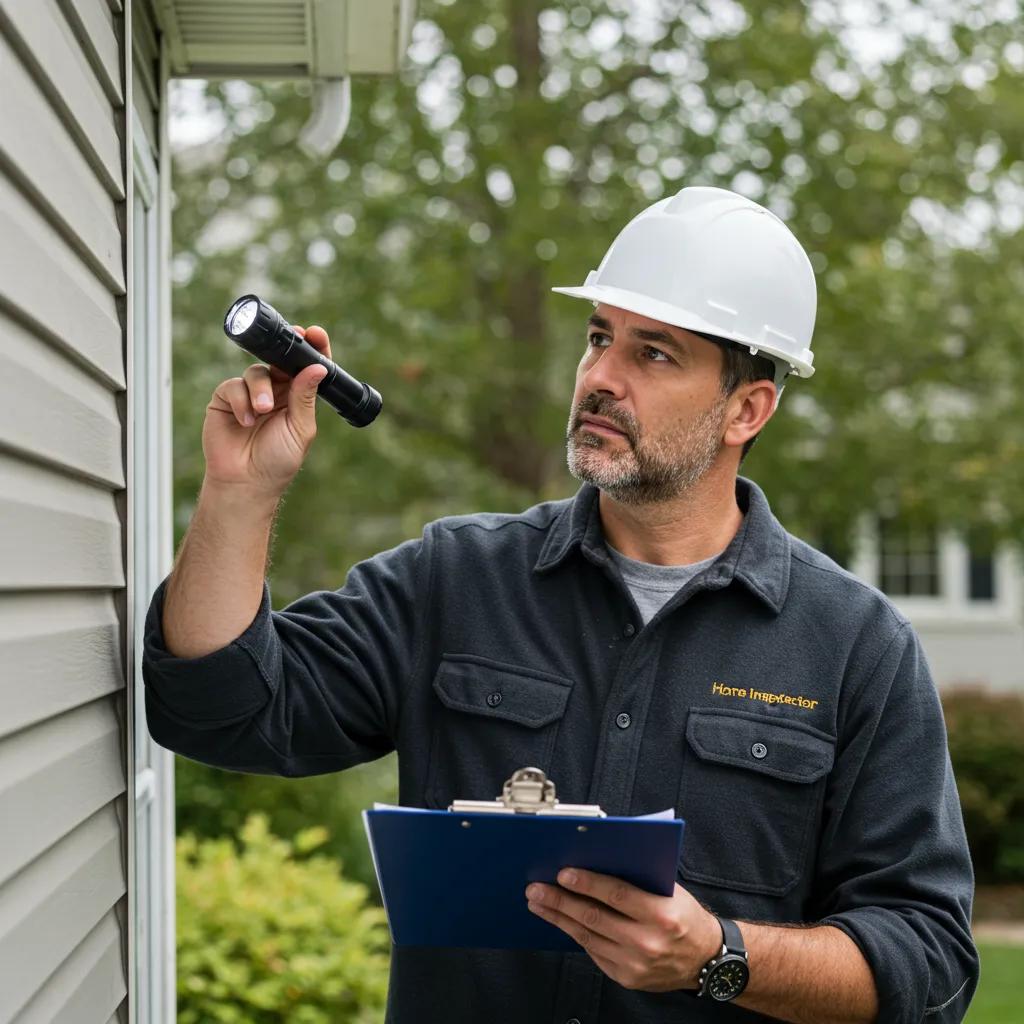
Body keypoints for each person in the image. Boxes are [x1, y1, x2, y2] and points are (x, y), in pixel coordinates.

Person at [143, 186, 978, 1023]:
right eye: (598, 338)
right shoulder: (456, 579)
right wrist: (239, 492)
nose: (601, 378)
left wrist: (719, 957)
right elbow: (218, 709)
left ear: (746, 408)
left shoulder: (856, 647)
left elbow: (929, 957)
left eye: (653, 354)